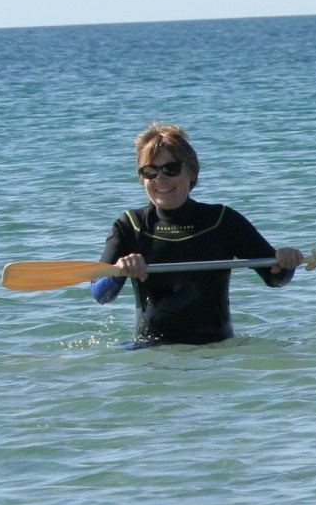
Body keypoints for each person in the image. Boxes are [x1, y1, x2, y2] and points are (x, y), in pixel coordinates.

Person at [95, 123, 305, 345]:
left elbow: (275, 278)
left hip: (215, 351)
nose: (160, 179)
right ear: (142, 178)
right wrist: (119, 272)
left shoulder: (223, 221)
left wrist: (286, 261)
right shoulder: (130, 225)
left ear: (192, 171)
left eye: (171, 169)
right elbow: (101, 295)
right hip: (150, 353)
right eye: (150, 171)